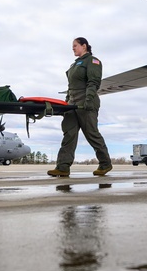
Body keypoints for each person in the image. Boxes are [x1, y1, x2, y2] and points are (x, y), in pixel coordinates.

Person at [48, 37, 113, 177]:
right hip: (72, 104)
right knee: (69, 134)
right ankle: (63, 167)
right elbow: (70, 87)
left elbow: (93, 82)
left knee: (92, 134)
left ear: (84, 46)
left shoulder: (93, 61)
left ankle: (105, 164)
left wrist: (89, 99)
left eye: (75, 45)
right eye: (72, 46)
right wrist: (66, 103)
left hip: (86, 102)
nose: (73, 48)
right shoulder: (74, 65)